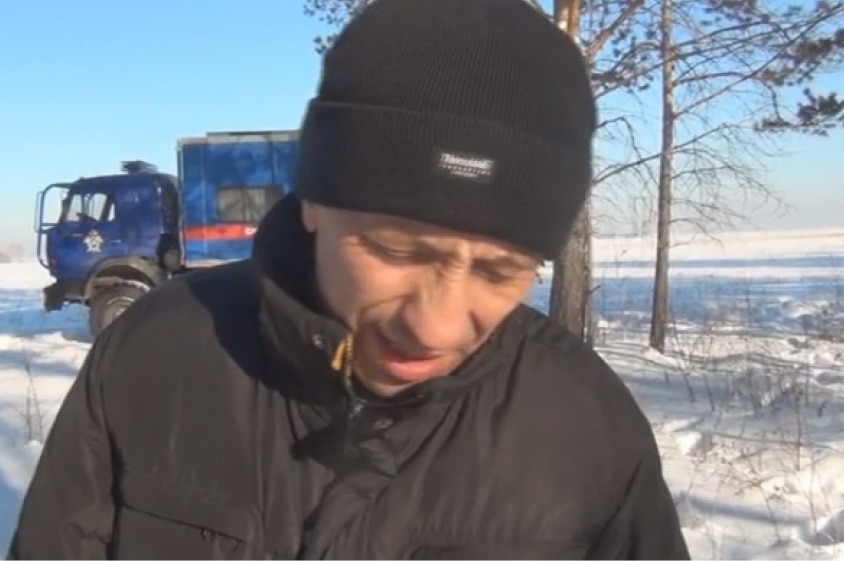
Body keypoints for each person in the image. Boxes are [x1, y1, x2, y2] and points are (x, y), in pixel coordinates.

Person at [8, 0, 690, 558]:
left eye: (498, 270)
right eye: (395, 249)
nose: (437, 324)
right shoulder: (153, 358)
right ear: (313, 201)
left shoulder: (587, 430)